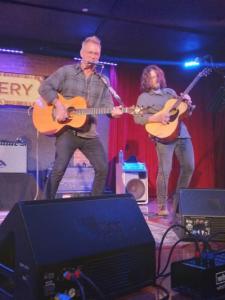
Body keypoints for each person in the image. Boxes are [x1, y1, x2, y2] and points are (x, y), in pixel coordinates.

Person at [39, 36, 122, 199]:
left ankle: (93, 204)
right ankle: (45, 203)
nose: (93, 56)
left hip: (89, 134)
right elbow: (45, 87)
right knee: (59, 169)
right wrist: (59, 105)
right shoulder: (67, 72)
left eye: (96, 54)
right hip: (67, 131)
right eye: (90, 52)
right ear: (82, 53)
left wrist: (114, 112)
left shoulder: (104, 81)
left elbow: (107, 107)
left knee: (102, 168)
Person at [134, 65, 195, 217]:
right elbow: (137, 118)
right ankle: (162, 205)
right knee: (165, 171)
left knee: (189, 167)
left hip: (182, 133)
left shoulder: (171, 93)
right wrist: (156, 118)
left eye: (157, 76)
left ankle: (178, 201)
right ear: (146, 80)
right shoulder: (144, 97)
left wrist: (188, 104)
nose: (156, 80)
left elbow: (183, 114)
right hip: (163, 136)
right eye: (152, 78)